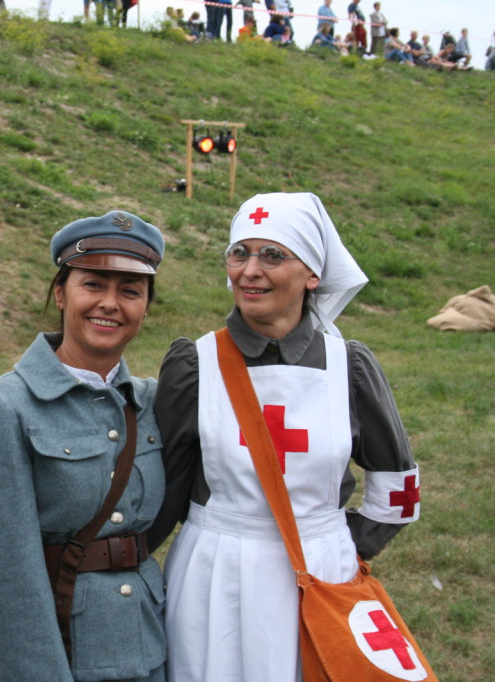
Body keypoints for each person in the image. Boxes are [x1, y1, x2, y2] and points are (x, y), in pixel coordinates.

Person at [150, 192, 422, 681]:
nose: (249, 270)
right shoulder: (195, 365)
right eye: (240, 253)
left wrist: (334, 542)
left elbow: (397, 489)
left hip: (319, 572)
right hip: (214, 576)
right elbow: (161, 489)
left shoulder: (349, 367)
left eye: (273, 255)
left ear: (312, 274)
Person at [0, 211, 168, 680]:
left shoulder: (152, 402)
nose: (110, 303)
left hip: (150, 646)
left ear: (146, 306)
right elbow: (6, 575)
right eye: (93, 284)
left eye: (130, 291)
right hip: (64, 653)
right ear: (60, 293)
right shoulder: (3, 408)